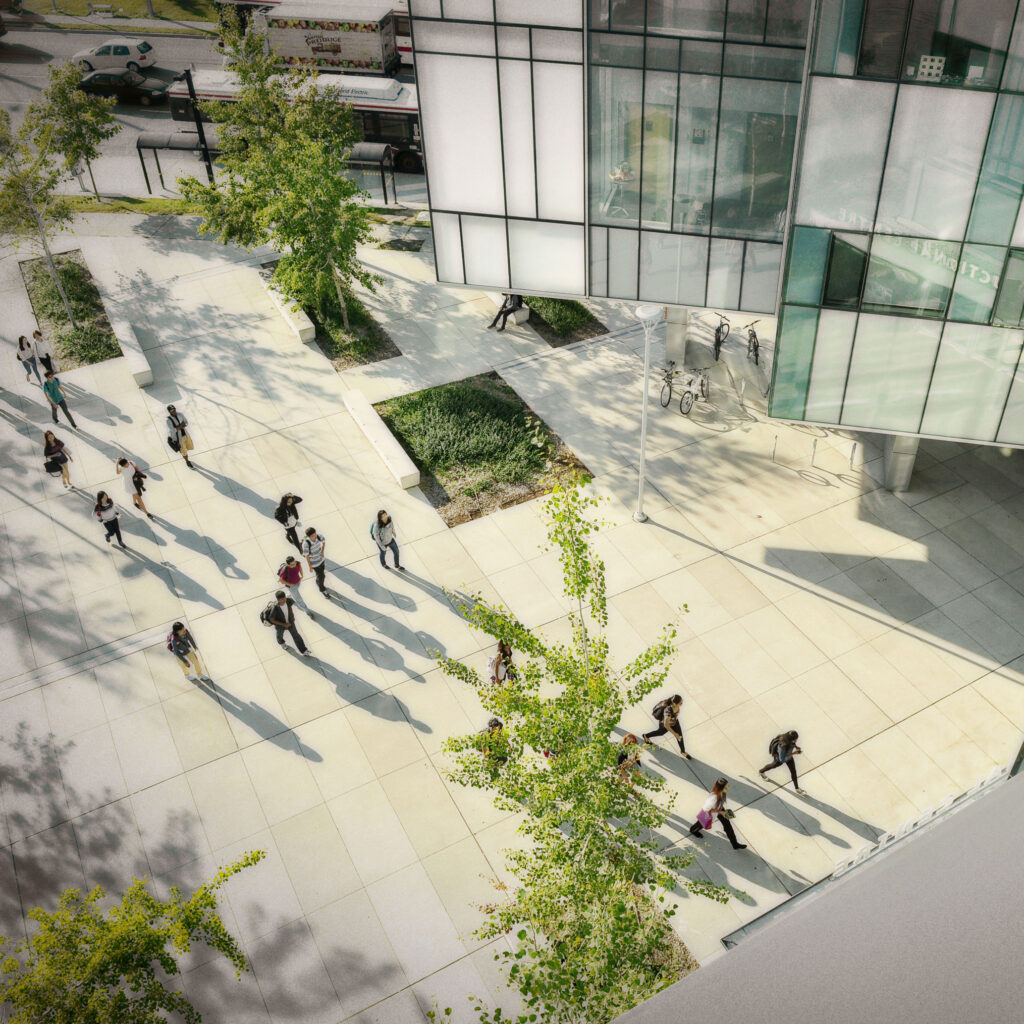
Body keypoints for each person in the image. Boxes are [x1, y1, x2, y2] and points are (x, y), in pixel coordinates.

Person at [689, 777, 746, 850]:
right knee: (700, 825)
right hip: (709, 814)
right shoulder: (714, 797)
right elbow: (706, 809)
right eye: (726, 787)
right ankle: (693, 830)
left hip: (719, 810)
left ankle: (735, 844)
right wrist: (720, 812)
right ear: (721, 787)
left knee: (728, 826)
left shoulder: (722, 793)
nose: (728, 788)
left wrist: (722, 810)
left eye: (728, 786)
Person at [643, 694, 690, 759]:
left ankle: (683, 751)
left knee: (680, 736)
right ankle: (646, 736)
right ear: (675, 704)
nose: (682, 703)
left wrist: (676, 733)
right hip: (665, 723)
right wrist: (674, 733)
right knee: (661, 732)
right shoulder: (667, 711)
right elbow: (666, 725)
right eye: (680, 703)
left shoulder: (676, 706)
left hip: (674, 721)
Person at [759, 730, 805, 794]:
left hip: (789, 757)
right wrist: (794, 753)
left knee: (793, 772)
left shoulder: (788, 738)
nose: (796, 741)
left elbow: (793, 743)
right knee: (772, 765)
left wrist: (796, 746)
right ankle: (761, 771)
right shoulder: (782, 746)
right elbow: (782, 759)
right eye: (795, 740)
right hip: (779, 759)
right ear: (790, 739)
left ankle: (797, 789)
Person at [269, 590, 311, 656]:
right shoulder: (275, 607)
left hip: (290, 622)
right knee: (279, 635)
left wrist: (292, 615)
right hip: (280, 625)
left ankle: (304, 650)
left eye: (284, 598)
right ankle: (281, 643)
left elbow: (290, 607)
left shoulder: (288, 600)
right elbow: (272, 620)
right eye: (282, 600)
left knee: (296, 635)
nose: (284, 601)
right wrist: (284, 624)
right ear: (278, 600)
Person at [301, 526, 332, 598]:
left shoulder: (319, 536)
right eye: (312, 536)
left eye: (315, 534)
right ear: (308, 536)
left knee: (321, 575)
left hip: (321, 560)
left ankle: (318, 581)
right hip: (314, 563)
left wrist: (322, 552)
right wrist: (310, 566)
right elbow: (306, 556)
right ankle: (322, 590)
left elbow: (324, 542)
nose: (315, 536)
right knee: (322, 576)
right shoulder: (306, 544)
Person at [166, 404, 195, 469]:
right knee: (183, 450)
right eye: (172, 410)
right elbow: (172, 430)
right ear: (169, 411)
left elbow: (186, 422)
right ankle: (187, 461)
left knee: (189, 446)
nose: (174, 411)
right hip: (178, 438)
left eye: (174, 409)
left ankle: (185, 456)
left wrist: (180, 426)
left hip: (185, 434)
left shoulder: (180, 414)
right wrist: (180, 426)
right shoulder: (168, 420)